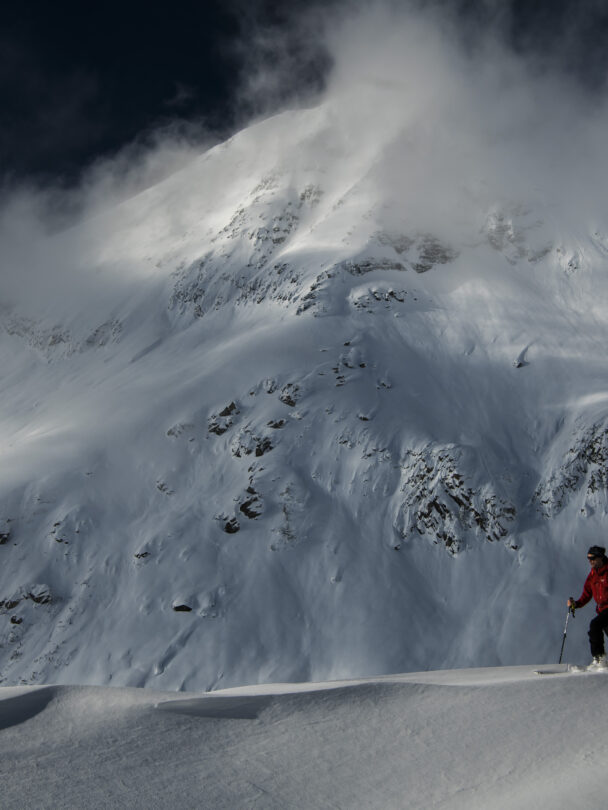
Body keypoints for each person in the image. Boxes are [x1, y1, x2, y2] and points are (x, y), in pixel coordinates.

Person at [568, 546, 608, 670]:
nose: (590, 561)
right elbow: (587, 594)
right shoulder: (592, 575)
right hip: (602, 610)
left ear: (600, 558)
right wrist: (576, 604)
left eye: (592, 558)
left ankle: (599, 658)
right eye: (588, 558)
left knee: (594, 626)